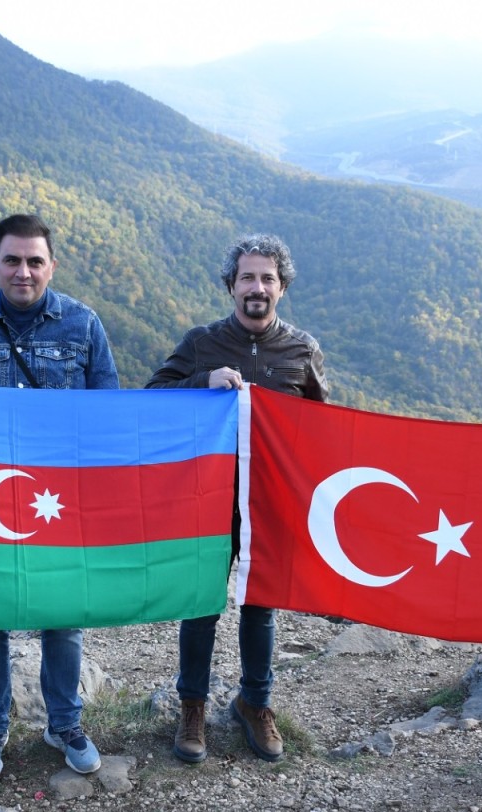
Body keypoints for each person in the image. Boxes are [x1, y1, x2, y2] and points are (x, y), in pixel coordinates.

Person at [0, 213, 118, 783]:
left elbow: (107, 409)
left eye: (35, 260)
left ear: (51, 265)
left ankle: (65, 722)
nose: (24, 271)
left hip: (57, 496)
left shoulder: (83, 324)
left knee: (63, 615)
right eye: (12, 259)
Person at [147, 233, 328, 763]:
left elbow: (321, 424)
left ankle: (255, 703)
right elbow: (152, 397)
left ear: (282, 287)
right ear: (231, 286)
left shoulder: (302, 350)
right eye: (247, 277)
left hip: (269, 503)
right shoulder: (202, 343)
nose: (257, 287)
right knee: (201, 606)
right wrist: (202, 381)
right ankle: (193, 707)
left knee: (260, 607)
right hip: (207, 500)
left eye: (267, 278)